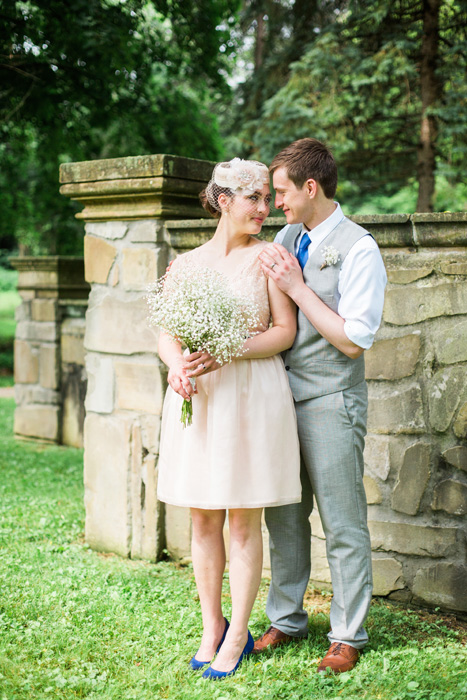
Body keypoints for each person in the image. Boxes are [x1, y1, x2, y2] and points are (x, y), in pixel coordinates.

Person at [156, 158, 302, 679]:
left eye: (267, 198)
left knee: (243, 518)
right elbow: (166, 331)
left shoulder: (271, 258)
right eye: (253, 199)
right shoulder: (186, 264)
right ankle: (210, 625)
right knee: (202, 516)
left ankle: (239, 632)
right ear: (223, 200)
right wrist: (177, 364)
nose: (265, 209)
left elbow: (284, 331)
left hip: (250, 395)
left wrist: (228, 349)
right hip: (200, 397)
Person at [254, 138, 387, 673]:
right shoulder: (288, 236)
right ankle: (286, 620)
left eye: (282, 192)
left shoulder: (360, 249)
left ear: (311, 188)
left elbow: (354, 340)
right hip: (282, 401)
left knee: (342, 520)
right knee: (284, 516)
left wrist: (298, 285)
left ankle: (348, 634)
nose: (275, 204)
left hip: (333, 400)